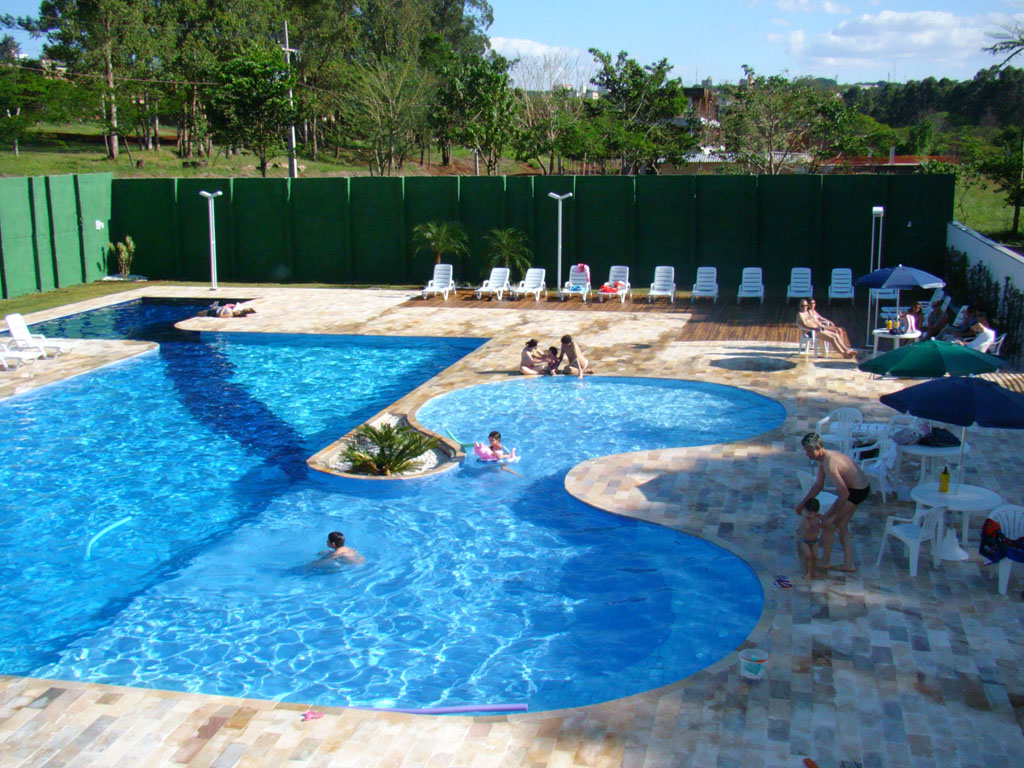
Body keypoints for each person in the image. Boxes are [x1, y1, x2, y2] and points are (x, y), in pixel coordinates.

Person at [796, 432, 870, 573]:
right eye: (806, 451)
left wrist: (832, 516)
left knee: (828, 524)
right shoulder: (823, 459)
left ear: (818, 448)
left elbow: (844, 493)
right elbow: (818, 485)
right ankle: (848, 564)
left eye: (809, 451)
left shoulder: (830, 463)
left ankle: (826, 560)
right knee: (840, 524)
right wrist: (802, 504)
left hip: (857, 491)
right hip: (855, 489)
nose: (807, 454)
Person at [797, 497, 824, 579]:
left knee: (815, 556)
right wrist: (819, 526)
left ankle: (814, 571)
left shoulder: (818, 517)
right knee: (808, 557)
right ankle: (808, 572)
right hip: (805, 541)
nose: (808, 514)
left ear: (816, 512)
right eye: (807, 512)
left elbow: (826, 521)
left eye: (810, 513)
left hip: (815, 541)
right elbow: (808, 529)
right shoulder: (806, 520)